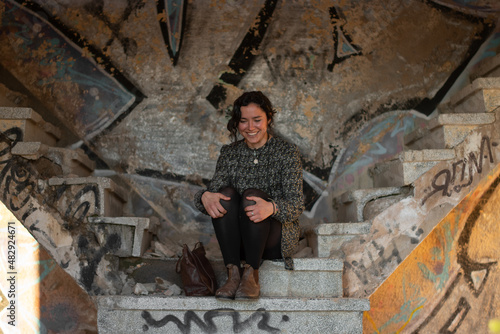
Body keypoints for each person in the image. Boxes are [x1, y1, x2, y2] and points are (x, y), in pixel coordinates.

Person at [194, 91, 304, 300]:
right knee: (222, 194)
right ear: (237, 123)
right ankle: (233, 274)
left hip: (274, 238)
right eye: (243, 121)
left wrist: (271, 207)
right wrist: (204, 196)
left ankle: (251, 275)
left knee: (252, 196)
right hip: (240, 240)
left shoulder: (286, 152)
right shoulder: (230, 153)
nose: (250, 127)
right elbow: (211, 197)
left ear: (268, 119)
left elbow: (297, 204)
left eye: (257, 120)